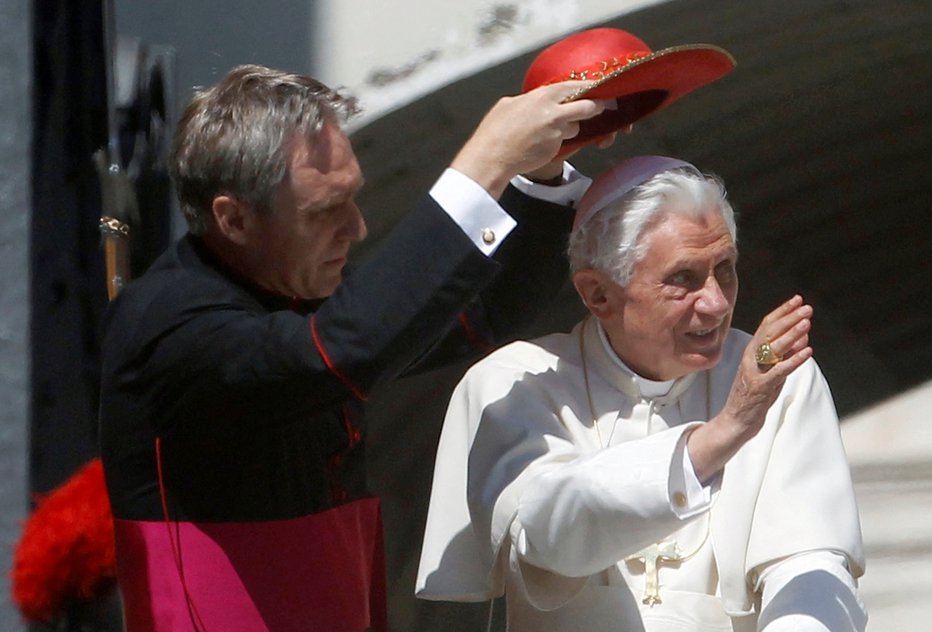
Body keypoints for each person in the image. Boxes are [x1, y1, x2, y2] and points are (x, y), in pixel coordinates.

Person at [97, 63, 610, 632]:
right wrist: (483, 163)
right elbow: (343, 348)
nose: (359, 228)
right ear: (234, 219)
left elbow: (478, 315)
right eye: (324, 211)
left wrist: (539, 176)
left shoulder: (293, 287)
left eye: (353, 198)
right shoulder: (171, 324)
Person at [416, 156, 868, 631]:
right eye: (683, 279)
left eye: (725, 269)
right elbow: (551, 534)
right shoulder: (517, 382)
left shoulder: (778, 372)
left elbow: (809, 565)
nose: (716, 303)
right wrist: (722, 434)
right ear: (598, 295)